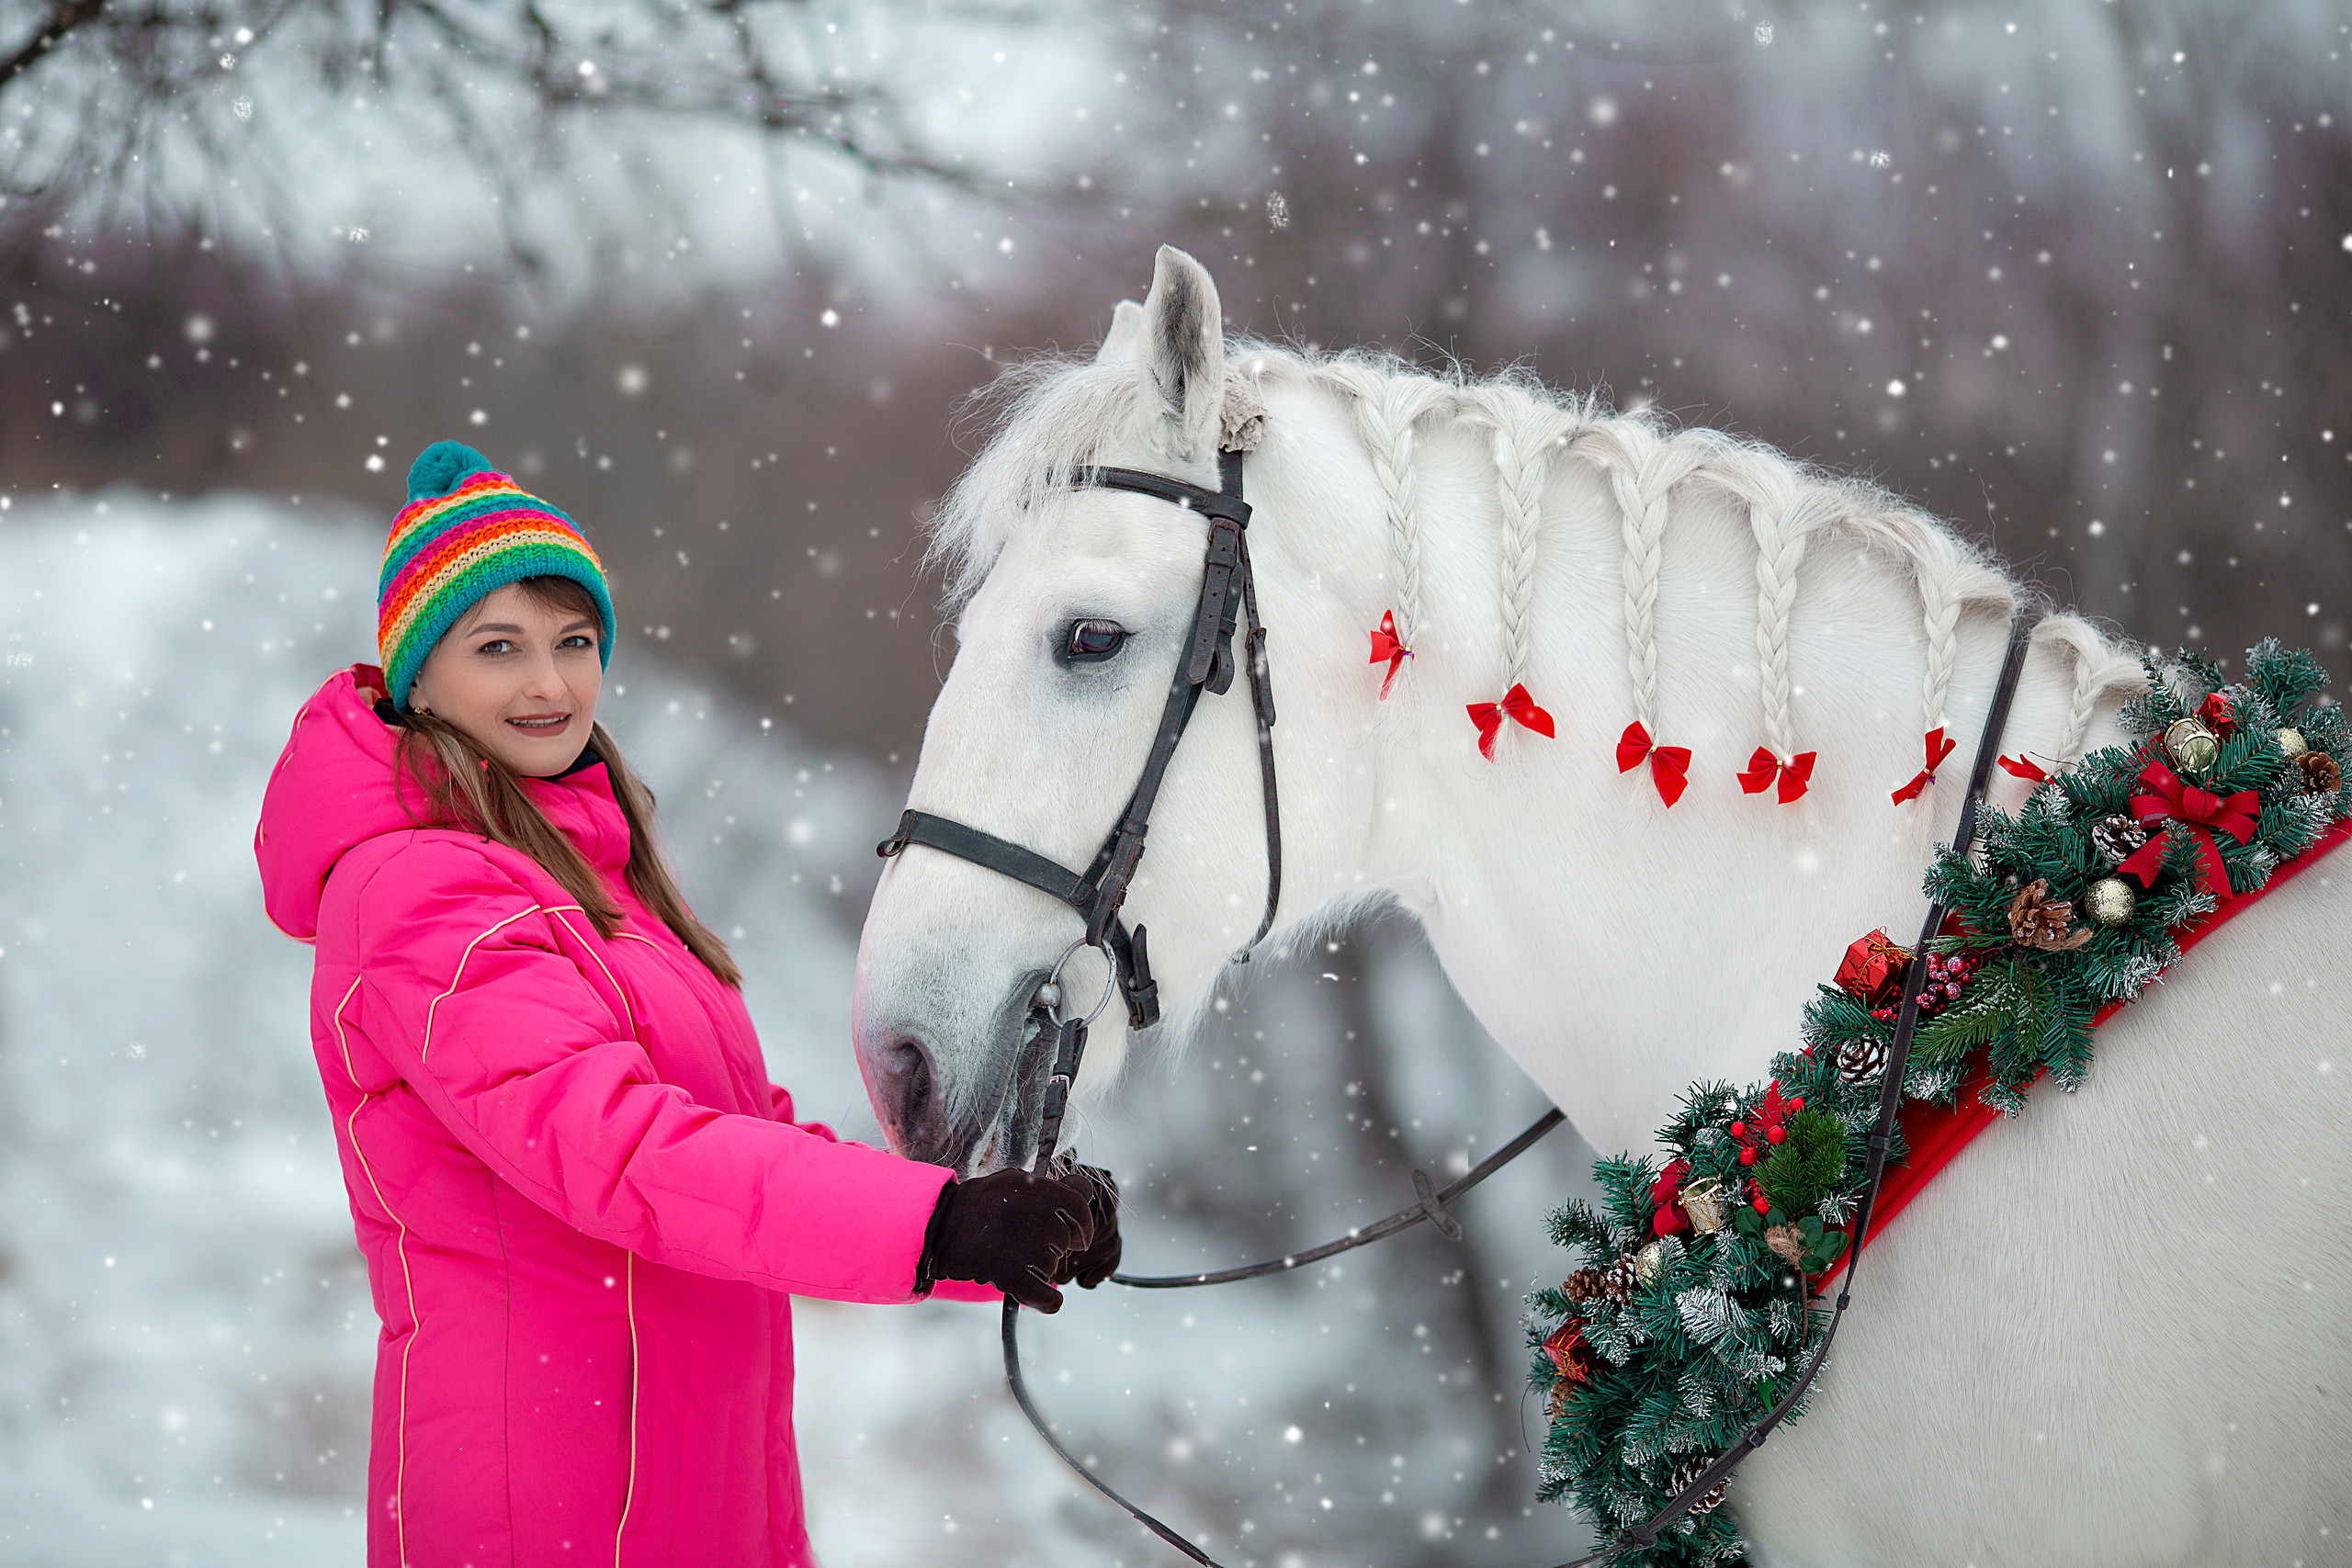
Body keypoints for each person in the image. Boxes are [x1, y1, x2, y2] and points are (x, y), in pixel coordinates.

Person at [254, 440, 1119, 1567]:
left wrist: (989, 1223)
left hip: (689, 1467)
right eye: (496, 649)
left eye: (572, 643)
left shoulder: (592, 881)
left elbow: (745, 1144)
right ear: (418, 678)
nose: (548, 684)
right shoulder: (418, 887)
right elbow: (619, 1151)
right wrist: (936, 1229)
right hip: (552, 1494)